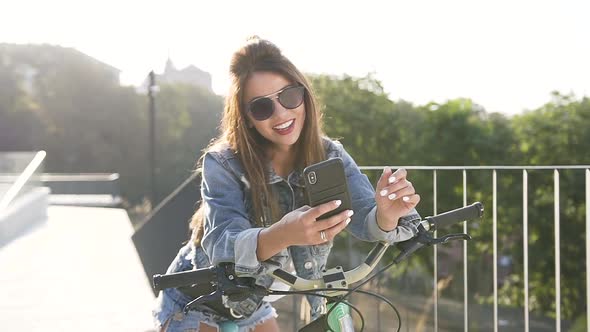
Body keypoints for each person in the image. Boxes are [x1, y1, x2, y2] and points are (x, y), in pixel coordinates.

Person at [152, 36, 422, 332]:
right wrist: (284, 234)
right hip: (197, 296)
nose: (281, 114)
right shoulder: (223, 162)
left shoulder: (330, 154)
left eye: (289, 96)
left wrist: (387, 214)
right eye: (261, 107)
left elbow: (366, 218)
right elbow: (222, 243)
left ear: (304, 95)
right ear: (247, 118)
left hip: (252, 300)